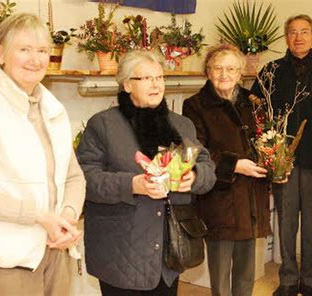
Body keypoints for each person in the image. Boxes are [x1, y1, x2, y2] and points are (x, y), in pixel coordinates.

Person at [0, 13, 85, 295]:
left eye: (42, 51)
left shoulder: (53, 107)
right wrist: (39, 216)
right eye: (24, 49)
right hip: (7, 259)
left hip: (57, 250)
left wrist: (67, 215)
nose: (35, 60)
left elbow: (74, 177)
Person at [76, 50, 216, 296]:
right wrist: (132, 185)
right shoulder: (103, 125)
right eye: (147, 78)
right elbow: (85, 178)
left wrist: (194, 177)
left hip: (168, 251)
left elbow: (206, 166)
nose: (157, 85)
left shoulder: (181, 125)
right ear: (127, 84)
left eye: (160, 78)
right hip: (120, 252)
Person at [251, 14, 312, 296]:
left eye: (305, 32)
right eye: (293, 32)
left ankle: (310, 281)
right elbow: (256, 110)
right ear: (286, 37)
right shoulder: (271, 70)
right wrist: (268, 150)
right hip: (283, 163)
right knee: (287, 223)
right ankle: (289, 280)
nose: (299, 37)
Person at [182, 44, 271, 296]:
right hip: (219, 196)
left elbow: (264, 139)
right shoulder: (195, 105)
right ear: (208, 72)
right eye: (218, 68)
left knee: (246, 271)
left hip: (251, 196)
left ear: (241, 73)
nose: (224, 74)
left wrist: (275, 162)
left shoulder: (254, 102)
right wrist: (236, 165)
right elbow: (195, 150)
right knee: (220, 273)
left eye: (231, 69)